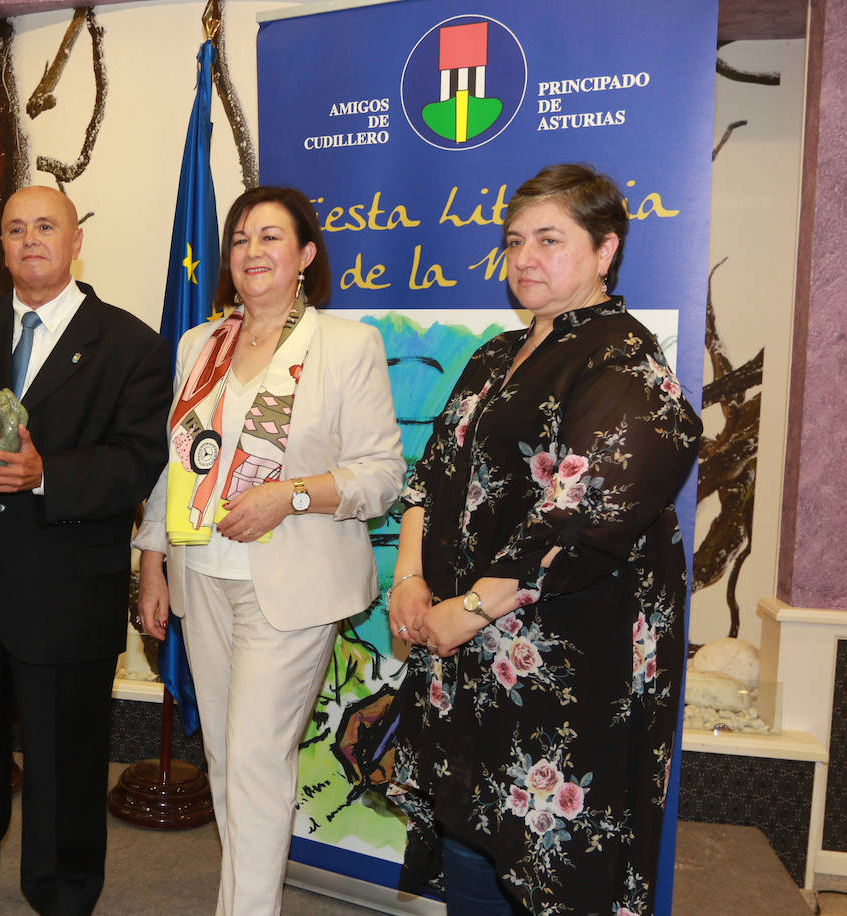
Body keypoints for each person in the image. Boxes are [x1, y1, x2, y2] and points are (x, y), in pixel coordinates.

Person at [385, 163, 701, 915]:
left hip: (564, 657)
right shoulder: (497, 353)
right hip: (467, 648)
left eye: (550, 240)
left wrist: (471, 609)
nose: (524, 258)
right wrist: (408, 577)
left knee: (552, 862)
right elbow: (431, 474)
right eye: (514, 240)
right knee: (470, 827)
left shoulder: (625, 359)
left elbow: (581, 512)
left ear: (604, 251)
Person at [0, 186, 171, 916]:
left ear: (78, 240)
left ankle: (62, 887)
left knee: (62, 755)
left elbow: (138, 459)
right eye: (14, 229)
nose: (29, 240)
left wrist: (48, 473)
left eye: (46, 226)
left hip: (64, 585)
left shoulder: (132, 343)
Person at [134, 185, 406, 915]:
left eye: (271, 238)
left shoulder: (347, 345)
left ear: (306, 256)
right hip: (203, 578)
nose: (252, 252)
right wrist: (153, 559)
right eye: (241, 239)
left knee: (254, 761)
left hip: (292, 587)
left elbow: (382, 476)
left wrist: (287, 495)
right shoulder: (201, 343)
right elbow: (177, 461)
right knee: (228, 760)